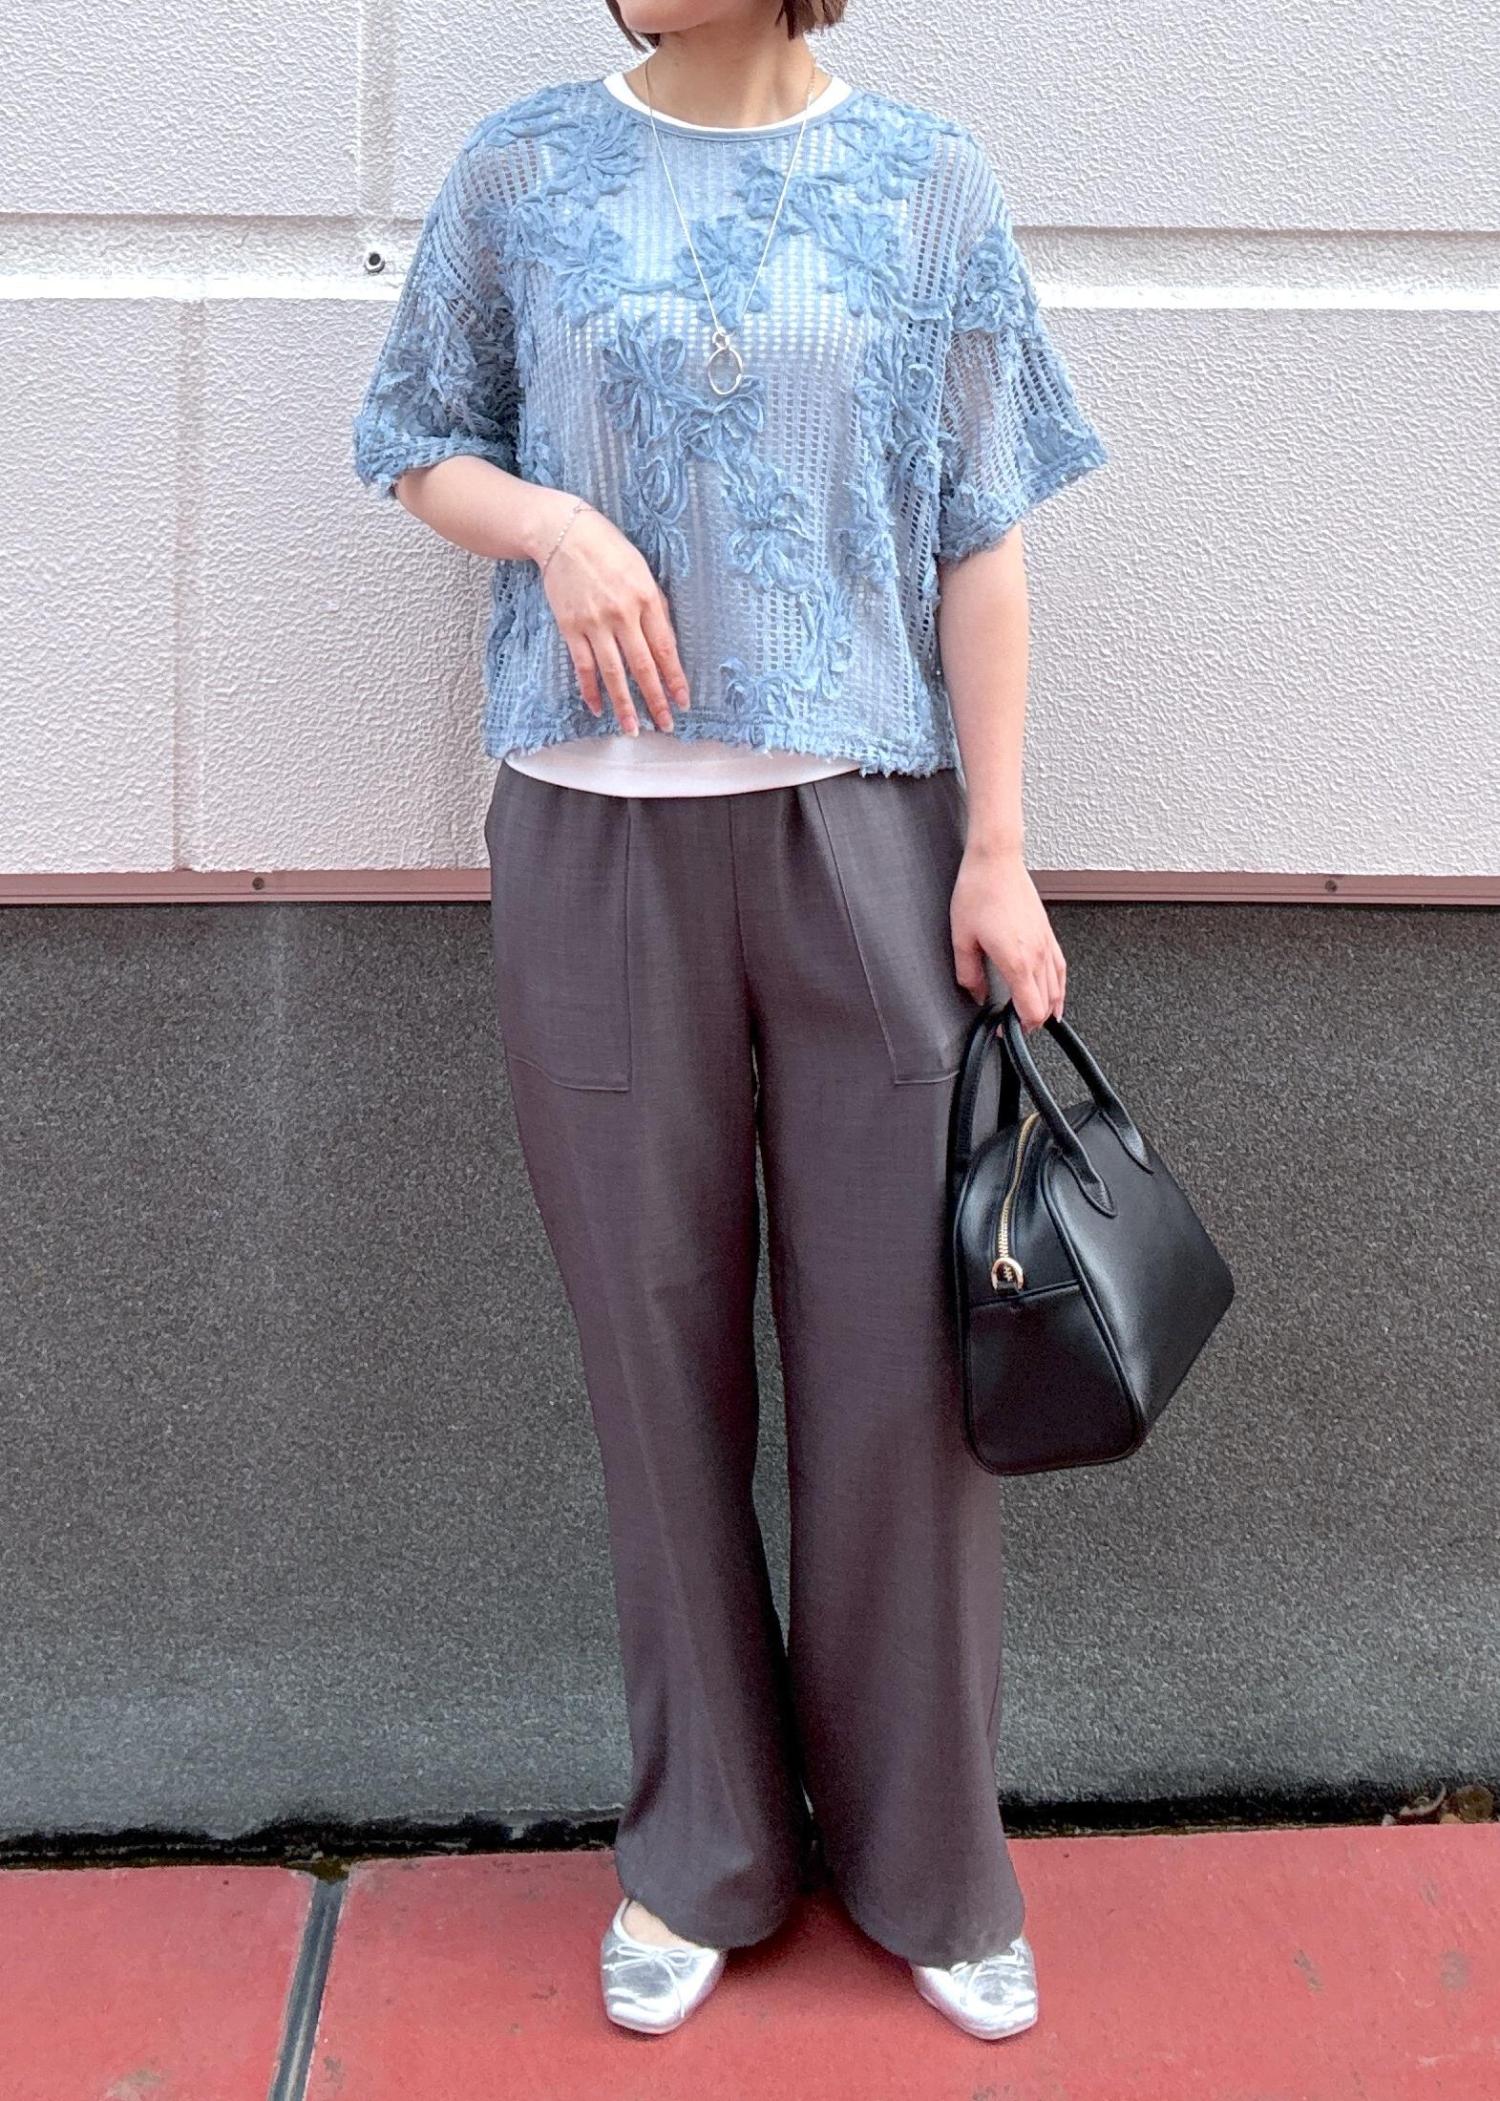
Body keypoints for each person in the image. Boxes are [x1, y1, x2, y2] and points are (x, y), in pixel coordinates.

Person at [351, 0, 1108, 2043]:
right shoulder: (522, 167)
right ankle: (701, 1852)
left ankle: (933, 1863)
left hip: (867, 828)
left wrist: (1001, 848)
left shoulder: (926, 181)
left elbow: (982, 531)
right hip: (594, 839)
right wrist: (553, 522)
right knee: (654, 1359)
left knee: (903, 1374)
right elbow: (414, 432)